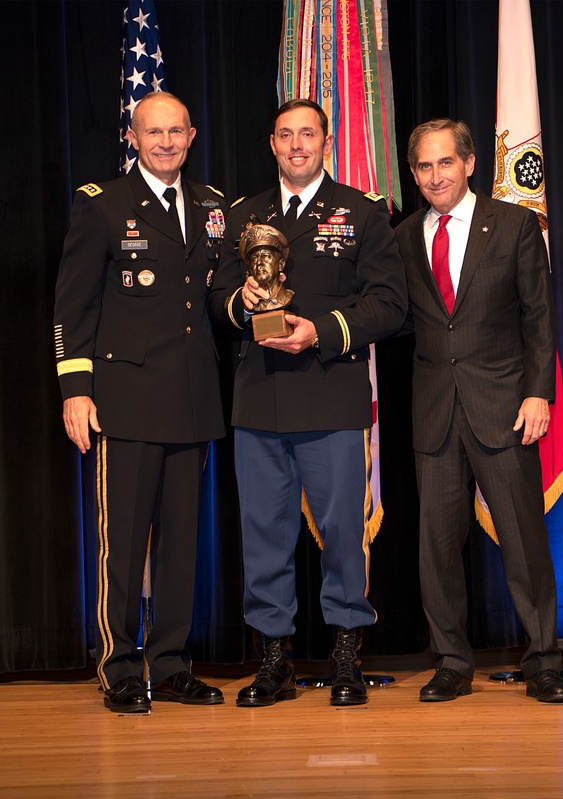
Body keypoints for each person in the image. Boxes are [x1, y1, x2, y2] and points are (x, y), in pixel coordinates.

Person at [209, 98, 408, 708]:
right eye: (286, 135)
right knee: (263, 532)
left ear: (328, 141)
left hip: (330, 397)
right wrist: (243, 302)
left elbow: (390, 305)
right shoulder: (244, 215)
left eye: (309, 134)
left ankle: (347, 652)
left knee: (345, 531)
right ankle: (276, 660)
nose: (297, 145)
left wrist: (320, 331)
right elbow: (216, 296)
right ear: (272, 143)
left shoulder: (362, 213)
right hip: (260, 400)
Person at [53, 91, 227, 714]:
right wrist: (76, 389)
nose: (165, 142)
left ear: (192, 134)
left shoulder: (212, 207)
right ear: (133, 136)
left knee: (182, 547)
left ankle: (173, 663)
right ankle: (119, 665)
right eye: (152, 132)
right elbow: (72, 308)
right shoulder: (102, 205)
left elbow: (211, 297)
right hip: (123, 401)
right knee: (122, 546)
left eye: (175, 131)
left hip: (191, 399)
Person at [394, 118, 563, 704]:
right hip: (434, 414)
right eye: (424, 165)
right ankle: (451, 661)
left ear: (470, 164)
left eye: (446, 162)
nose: (435, 175)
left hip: (505, 408)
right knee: (437, 548)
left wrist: (538, 393)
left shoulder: (515, 224)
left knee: (523, 540)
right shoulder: (402, 237)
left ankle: (543, 660)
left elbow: (537, 317)